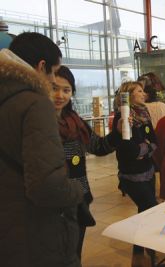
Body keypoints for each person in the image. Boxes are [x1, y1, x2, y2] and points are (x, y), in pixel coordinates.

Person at [0, 32, 83, 266]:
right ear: (41, 66)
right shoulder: (35, 103)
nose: (53, 82)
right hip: (34, 231)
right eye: (54, 73)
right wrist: (76, 190)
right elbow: (47, 186)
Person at [54, 65, 121, 259]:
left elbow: (99, 147)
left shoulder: (75, 121)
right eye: (54, 88)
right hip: (54, 204)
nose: (60, 95)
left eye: (66, 90)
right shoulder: (39, 122)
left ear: (72, 93)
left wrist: (116, 133)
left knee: (75, 255)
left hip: (80, 199)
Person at [113, 81, 158, 266]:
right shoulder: (122, 117)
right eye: (139, 91)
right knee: (151, 207)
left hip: (148, 170)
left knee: (144, 210)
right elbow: (129, 150)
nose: (143, 93)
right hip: (131, 176)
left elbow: (154, 141)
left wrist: (145, 148)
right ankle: (150, 250)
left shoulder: (144, 114)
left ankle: (139, 252)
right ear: (128, 94)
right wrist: (146, 148)